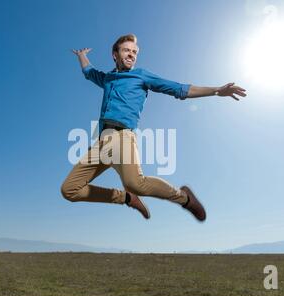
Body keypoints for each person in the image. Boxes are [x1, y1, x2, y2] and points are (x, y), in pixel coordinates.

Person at [61, 34, 246, 222]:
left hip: (122, 136)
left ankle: (184, 197)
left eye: (134, 52)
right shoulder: (108, 79)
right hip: (102, 142)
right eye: (126, 50)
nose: (131, 54)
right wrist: (81, 55)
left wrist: (215, 90)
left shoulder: (141, 75)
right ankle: (126, 198)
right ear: (114, 54)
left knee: (135, 184)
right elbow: (89, 72)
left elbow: (179, 88)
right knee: (69, 190)